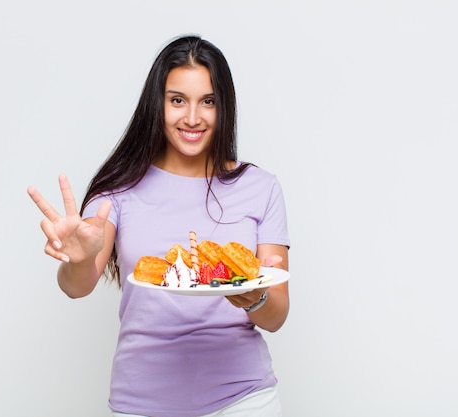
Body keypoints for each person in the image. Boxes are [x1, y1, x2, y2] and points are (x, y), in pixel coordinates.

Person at [27, 35, 290, 417]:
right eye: (177, 100)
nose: (193, 118)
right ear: (158, 103)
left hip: (244, 400)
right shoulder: (117, 190)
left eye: (208, 101)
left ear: (224, 107)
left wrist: (251, 296)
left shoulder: (260, 187)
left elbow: (277, 314)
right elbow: (76, 286)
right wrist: (80, 259)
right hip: (142, 402)